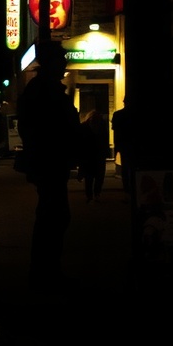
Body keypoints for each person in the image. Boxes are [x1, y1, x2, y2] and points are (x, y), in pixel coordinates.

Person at [17, 41, 80, 289]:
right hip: (50, 161)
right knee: (53, 216)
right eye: (61, 60)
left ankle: (45, 270)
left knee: (52, 216)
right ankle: (46, 272)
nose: (64, 65)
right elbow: (51, 128)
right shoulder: (46, 91)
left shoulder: (41, 89)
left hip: (48, 160)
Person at [80, 108, 110, 203]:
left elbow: (81, 142)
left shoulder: (84, 126)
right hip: (99, 155)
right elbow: (105, 140)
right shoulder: (102, 126)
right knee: (99, 177)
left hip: (88, 155)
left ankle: (89, 196)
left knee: (89, 177)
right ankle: (97, 194)